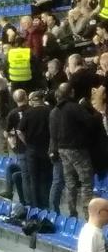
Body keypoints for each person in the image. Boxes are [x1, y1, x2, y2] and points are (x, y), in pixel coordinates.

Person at [49, 82, 95, 218]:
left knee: (70, 183)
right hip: (77, 149)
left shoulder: (54, 111)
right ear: (72, 92)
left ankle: (72, 212)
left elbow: (52, 134)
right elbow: (91, 122)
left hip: (62, 150)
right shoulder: (75, 107)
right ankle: (88, 215)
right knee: (86, 182)